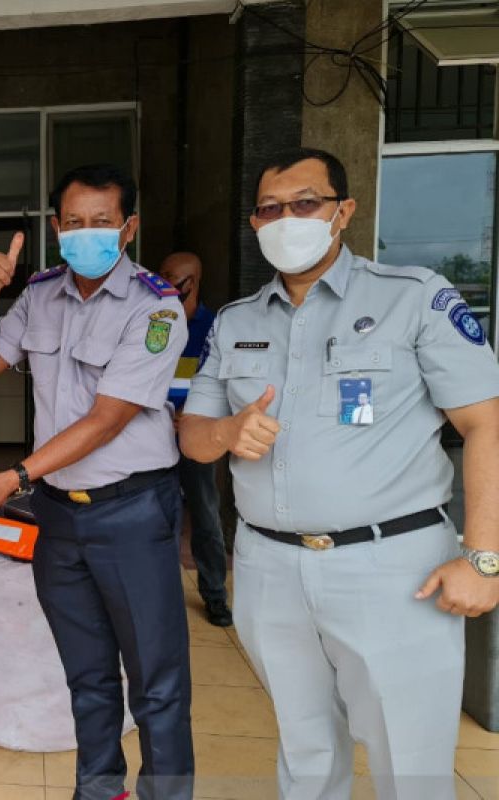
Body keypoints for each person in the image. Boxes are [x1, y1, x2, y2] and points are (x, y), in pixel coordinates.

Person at [179, 147, 499, 800]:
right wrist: (228, 432)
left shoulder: (412, 297)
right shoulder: (237, 322)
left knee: (409, 763)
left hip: (393, 568)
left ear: (342, 211)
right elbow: (194, 438)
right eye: (270, 208)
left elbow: (485, 423)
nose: (286, 218)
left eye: (305, 203)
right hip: (270, 569)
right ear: (254, 222)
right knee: (305, 751)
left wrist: (485, 556)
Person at [0, 163, 193, 800]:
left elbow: (108, 418)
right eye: (74, 223)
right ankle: (99, 791)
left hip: (133, 514)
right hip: (60, 516)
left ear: (128, 227)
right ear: (55, 227)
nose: (86, 234)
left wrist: (13, 476)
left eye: (102, 222)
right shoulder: (39, 293)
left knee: (157, 685)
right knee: (87, 676)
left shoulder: (155, 306)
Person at [159, 252, 231, 627]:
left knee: (204, 515)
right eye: (165, 275)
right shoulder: (151, 319)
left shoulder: (215, 326)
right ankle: (164, 596)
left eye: (179, 278)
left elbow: (221, 383)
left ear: (195, 281)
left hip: (197, 436)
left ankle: (215, 594)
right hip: (154, 437)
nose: (171, 282)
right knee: (160, 517)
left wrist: (195, 416)